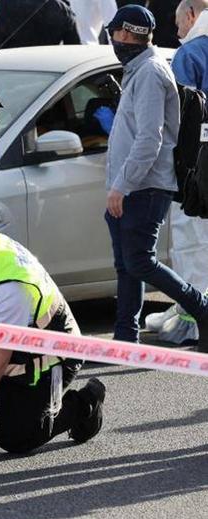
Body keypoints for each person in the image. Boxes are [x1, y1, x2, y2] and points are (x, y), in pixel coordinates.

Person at [0, 214, 106, 453]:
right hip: (8, 343)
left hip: (49, 358)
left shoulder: (12, 288)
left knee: (16, 439)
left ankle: (85, 403)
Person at [104, 4, 208, 351]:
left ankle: (201, 308)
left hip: (145, 187)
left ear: (125, 34)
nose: (113, 41)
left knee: (139, 261)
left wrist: (122, 184)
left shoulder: (149, 71)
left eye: (115, 34)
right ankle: (125, 338)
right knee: (126, 266)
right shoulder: (137, 69)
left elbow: (151, 138)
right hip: (132, 185)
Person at [146, 0, 208, 343]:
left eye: (178, 23)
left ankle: (193, 320)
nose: (177, 31)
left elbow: (178, 118)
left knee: (192, 243)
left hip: (197, 165)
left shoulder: (190, 55)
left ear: (190, 16)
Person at [0, 0, 80, 49]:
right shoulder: (62, 9)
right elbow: (73, 49)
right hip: (50, 75)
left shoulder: (7, 4)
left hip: (11, 71)